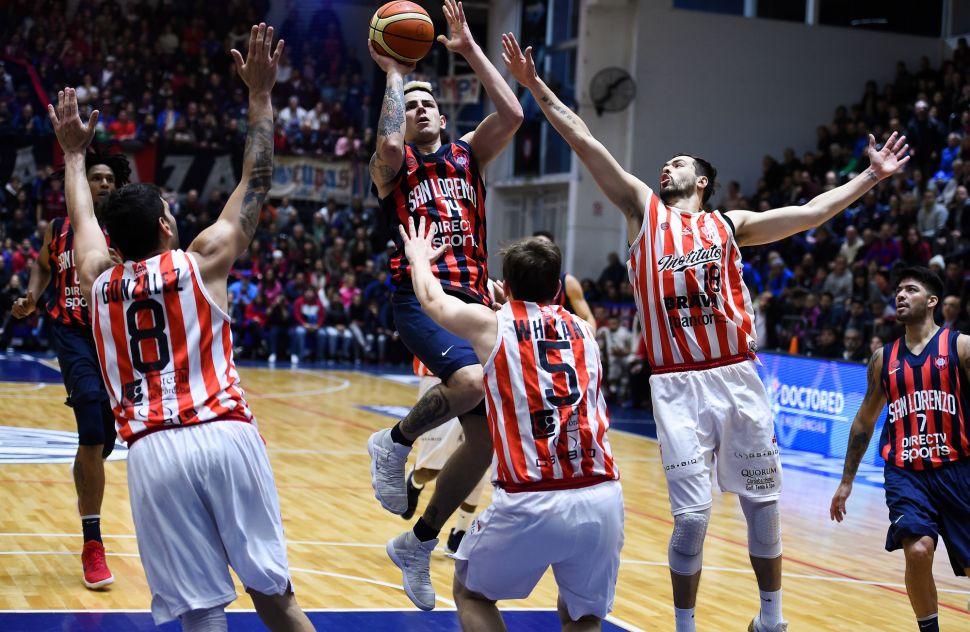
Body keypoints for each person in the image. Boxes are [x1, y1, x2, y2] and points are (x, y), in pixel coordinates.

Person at [501, 32, 910, 632]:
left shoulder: (729, 224)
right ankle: (685, 625)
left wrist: (871, 177)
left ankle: (770, 620)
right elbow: (584, 140)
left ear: (702, 181)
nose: (667, 165)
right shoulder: (643, 210)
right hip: (676, 385)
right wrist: (535, 84)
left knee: (763, 508)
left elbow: (810, 214)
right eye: (666, 162)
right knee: (692, 520)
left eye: (680, 162)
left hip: (738, 376)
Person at [47, 24, 314, 631]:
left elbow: (82, 218)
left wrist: (73, 154)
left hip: (153, 451)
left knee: (198, 613)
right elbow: (256, 179)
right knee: (277, 598)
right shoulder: (203, 261)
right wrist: (260, 95)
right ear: (167, 228)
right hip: (225, 435)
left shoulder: (97, 281)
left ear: (117, 245)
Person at [365, 0, 523, 610]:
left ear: (443, 114)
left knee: (485, 443)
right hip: (421, 299)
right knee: (471, 381)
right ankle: (395, 441)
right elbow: (386, 141)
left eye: (428, 103)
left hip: (476, 301)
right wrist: (394, 73)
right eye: (411, 106)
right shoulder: (394, 166)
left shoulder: (466, 154)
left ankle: (419, 542)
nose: (421, 109)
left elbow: (512, 113)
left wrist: (468, 48)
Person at [401, 216, 623, 630]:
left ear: (506, 284)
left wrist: (417, 256)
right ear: (557, 287)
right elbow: (542, 332)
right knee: (583, 616)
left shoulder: (494, 325)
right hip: (601, 495)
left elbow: (432, 300)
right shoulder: (585, 330)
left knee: (472, 594)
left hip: (532, 494)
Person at [12, 149, 130, 589]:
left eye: (109, 179)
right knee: (92, 433)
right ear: (80, 184)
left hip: (113, 339)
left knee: (102, 442)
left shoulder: (127, 230)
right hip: (72, 333)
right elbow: (42, 266)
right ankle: (92, 543)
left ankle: (85, 466)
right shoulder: (58, 229)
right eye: (95, 177)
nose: (103, 184)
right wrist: (32, 297)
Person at [830, 267, 970, 632]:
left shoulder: (961, 347)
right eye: (898, 291)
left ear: (932, 301)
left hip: (958, 468)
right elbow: (864, 421)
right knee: (918, 551)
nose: (901, 296)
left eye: (910, 290)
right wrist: (846, 481)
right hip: (906, 472)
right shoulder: (883, 359)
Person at [402, 279, 505, 555]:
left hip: (484, 376)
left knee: (481, 454)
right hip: (441, 375)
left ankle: (460, 529)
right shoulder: (432, 279)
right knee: (431, 468)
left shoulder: (494, 287)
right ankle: (415, 480)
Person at [532, 230, 596, 330]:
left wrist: (590, 338)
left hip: (562, 336)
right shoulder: (520, 280)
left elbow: (587, 317)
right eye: (536, 245)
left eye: (544, 245)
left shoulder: (568, 282)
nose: (540, 249)